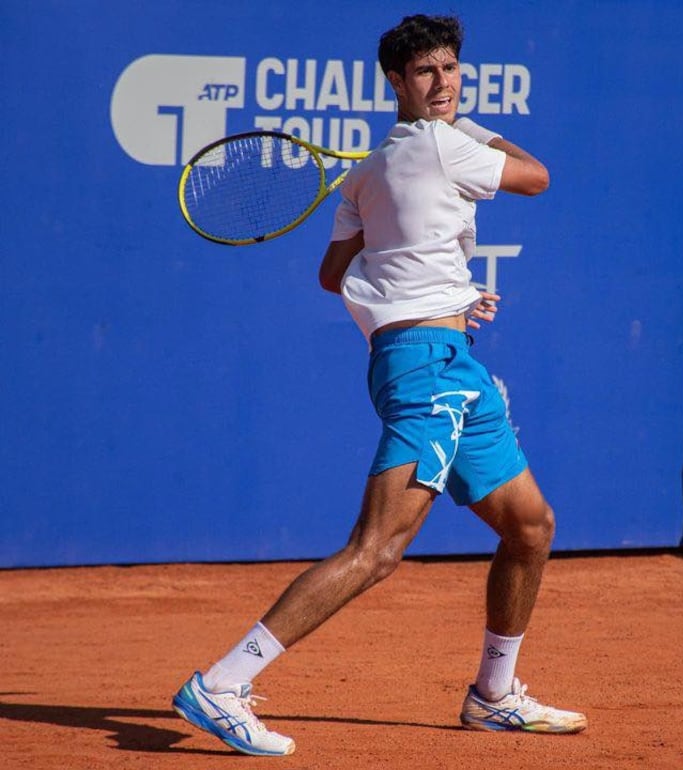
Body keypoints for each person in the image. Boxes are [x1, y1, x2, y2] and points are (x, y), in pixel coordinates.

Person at [171, 14, 587, 756]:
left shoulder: (365, 173)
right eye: (427, 72)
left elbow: (334, 275)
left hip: (443, 362)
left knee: (530, 527)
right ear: (396, 81)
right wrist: (475, 133)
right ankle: (224, 683)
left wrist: (432, 292)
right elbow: (539, 176)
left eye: (452, 68)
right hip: (428, 370)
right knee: (375, 550)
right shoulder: (447, 142)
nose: (445, 83)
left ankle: (494, 695)